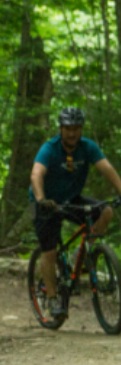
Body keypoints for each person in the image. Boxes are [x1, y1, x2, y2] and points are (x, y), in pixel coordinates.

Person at [32, 106, 121, 317]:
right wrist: (41, 199)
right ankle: (53, 299)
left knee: (105, 211)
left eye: (77, 128)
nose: (72, 133)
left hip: (71, 199)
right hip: (45, 202)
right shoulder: (50, 148)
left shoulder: (87, 147)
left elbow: (107, 169)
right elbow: (36, 174)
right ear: (61, 129)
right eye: (68, 128)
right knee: (50, 250)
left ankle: (82, 254)